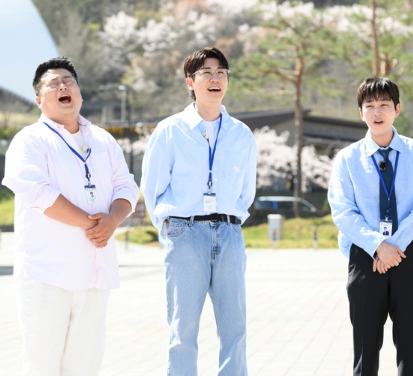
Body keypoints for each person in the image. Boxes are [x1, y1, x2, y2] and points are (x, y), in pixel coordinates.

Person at [2, 57, 139, 375]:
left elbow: (126, 186)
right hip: (46, 273)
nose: (63, 86)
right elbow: (37, 192)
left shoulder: (103, 140)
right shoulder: (30, 140)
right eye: (53, 83)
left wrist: (112, 220)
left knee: (85, 366)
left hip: (94, 272)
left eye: (69, 81)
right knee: (43, 366)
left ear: (79, 92)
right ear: (39, 100)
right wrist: (93, 224)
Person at [141, 47, 257, 376]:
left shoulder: (241, 133)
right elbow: (152, 188)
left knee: (235, 329)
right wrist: (172, 233)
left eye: (221, 72)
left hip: (229, 233)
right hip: (185, 233)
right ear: (190, 82)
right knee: (183, 332)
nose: (215, 78)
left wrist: (227, 219)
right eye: (206, 72)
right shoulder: (170, 130)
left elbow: (246, 192)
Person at [328, 77, 413, 376]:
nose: (377, 112)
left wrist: (394, 247)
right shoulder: (347, 159)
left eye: (384, 105)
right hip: (366, 257)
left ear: (397, 109)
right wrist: (378, 245)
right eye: (370, 106)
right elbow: (342, 210)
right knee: (365, 351)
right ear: (360, 112)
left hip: (408, 255)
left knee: (410, 350)